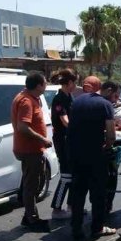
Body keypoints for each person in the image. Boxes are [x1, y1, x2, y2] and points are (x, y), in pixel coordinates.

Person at [67, 77, 118, 240]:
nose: (115, 100)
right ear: (108, 91)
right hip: (95, 154)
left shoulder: (78, 101)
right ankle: (97, 227)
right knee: (98, 193)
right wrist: (108, 146)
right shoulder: (105, 105)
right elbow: (111, 134)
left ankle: (76, 228)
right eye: (115, 96)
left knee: (78, 192)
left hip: (75, 152)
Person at [10, 71, 53, 232]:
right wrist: (42, 139)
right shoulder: (26, 101)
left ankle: (30, 214)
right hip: (29, 149)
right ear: (39, 85)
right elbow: (23, 127)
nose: (47, 84)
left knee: (35, 182)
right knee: (31, 184)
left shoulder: (29, 98)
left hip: (31, 149)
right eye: (45, 82)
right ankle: (31, 219)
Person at [50, 68, 78, 220]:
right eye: (75, 82)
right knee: (66, 175)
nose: (76, 85)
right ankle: (56, 208)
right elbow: (65, 121)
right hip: (63, 140)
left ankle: (72, 207)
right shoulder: (59, 99)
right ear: (69, 82)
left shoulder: (70, 96)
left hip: (71, 139)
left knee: (73, 175)